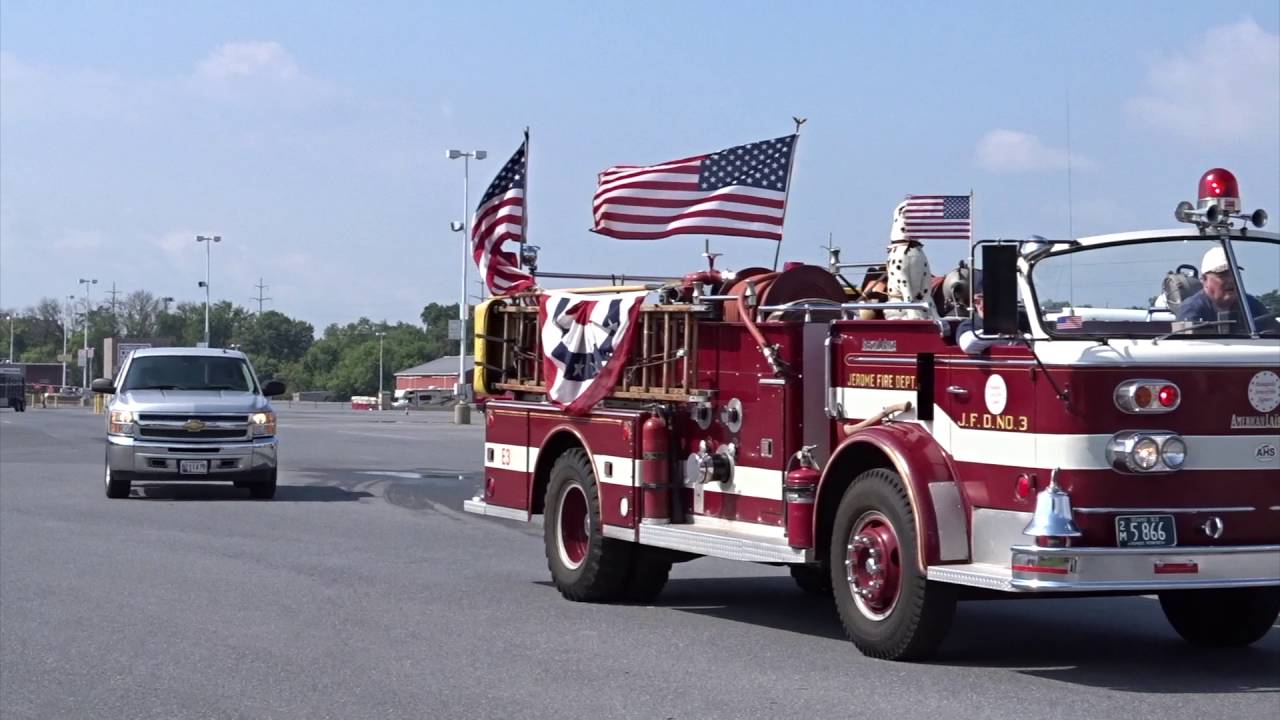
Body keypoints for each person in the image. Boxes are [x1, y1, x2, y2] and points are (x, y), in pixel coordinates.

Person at [1175, 247, 1267, 328]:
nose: (1231, 280)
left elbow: (1273, 332)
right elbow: (1188, 345)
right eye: (1223, 274)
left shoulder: (1251, 304)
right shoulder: (1191, 309)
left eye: (1235, 273)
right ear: (1204, 279)